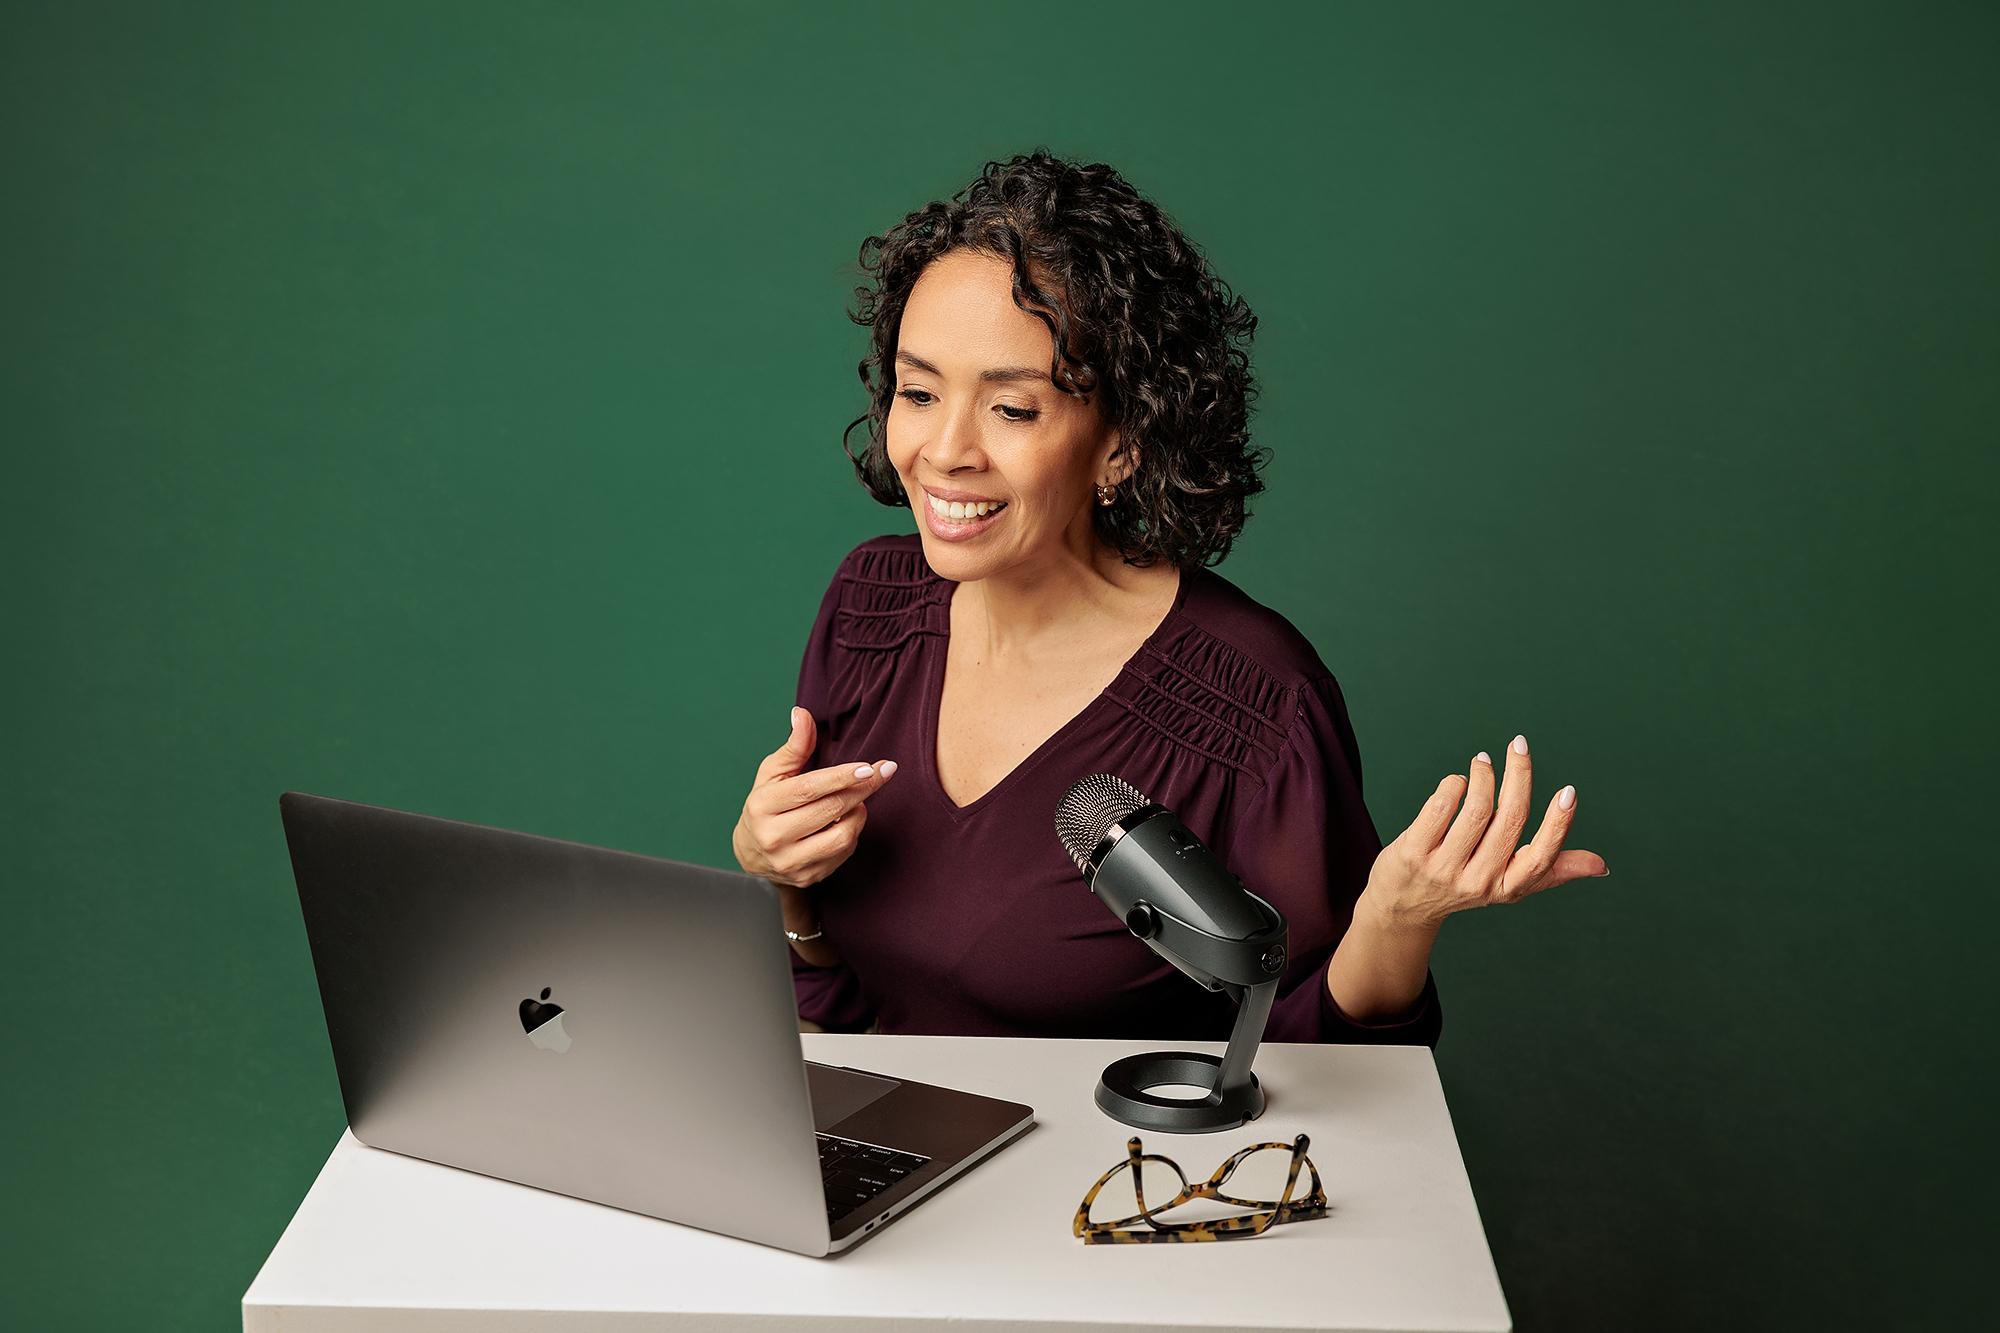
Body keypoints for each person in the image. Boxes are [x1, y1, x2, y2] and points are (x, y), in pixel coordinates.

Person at [732, 150, 1609, 1045]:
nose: (944, 448)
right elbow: (842, 1012)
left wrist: (1395, 919)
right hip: (884, 1152)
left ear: (1122, 444)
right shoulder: (869, 607)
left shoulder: (1257, 703)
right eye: (919, 392)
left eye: (1015, 409)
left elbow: (1320, 1078)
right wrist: (780, 879)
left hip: (1121, 1178)